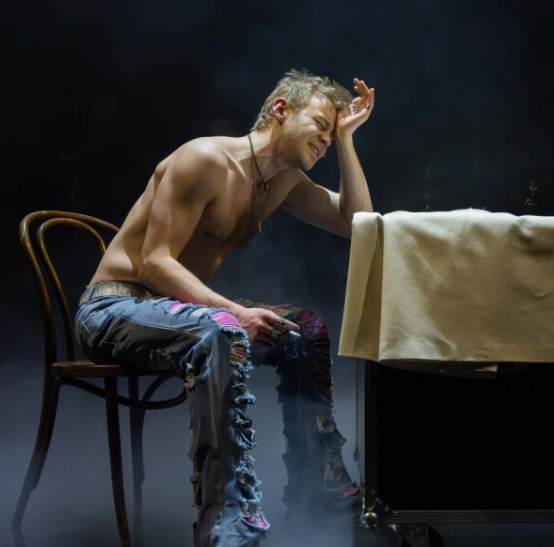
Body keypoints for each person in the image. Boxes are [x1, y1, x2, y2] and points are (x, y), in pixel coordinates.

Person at [74, 69, 375, 547]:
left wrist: (346, 140)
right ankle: (228, 524)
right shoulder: (205, 159)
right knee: (222, 329)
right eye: (321, 124)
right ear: (281, 110)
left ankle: (321, 492)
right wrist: (236, 312)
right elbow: (153, 264)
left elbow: (360, 223)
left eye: (330, 132)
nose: (324, 137)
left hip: (174, 312)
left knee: (304, 331)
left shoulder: (283, 182)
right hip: (112, 308)